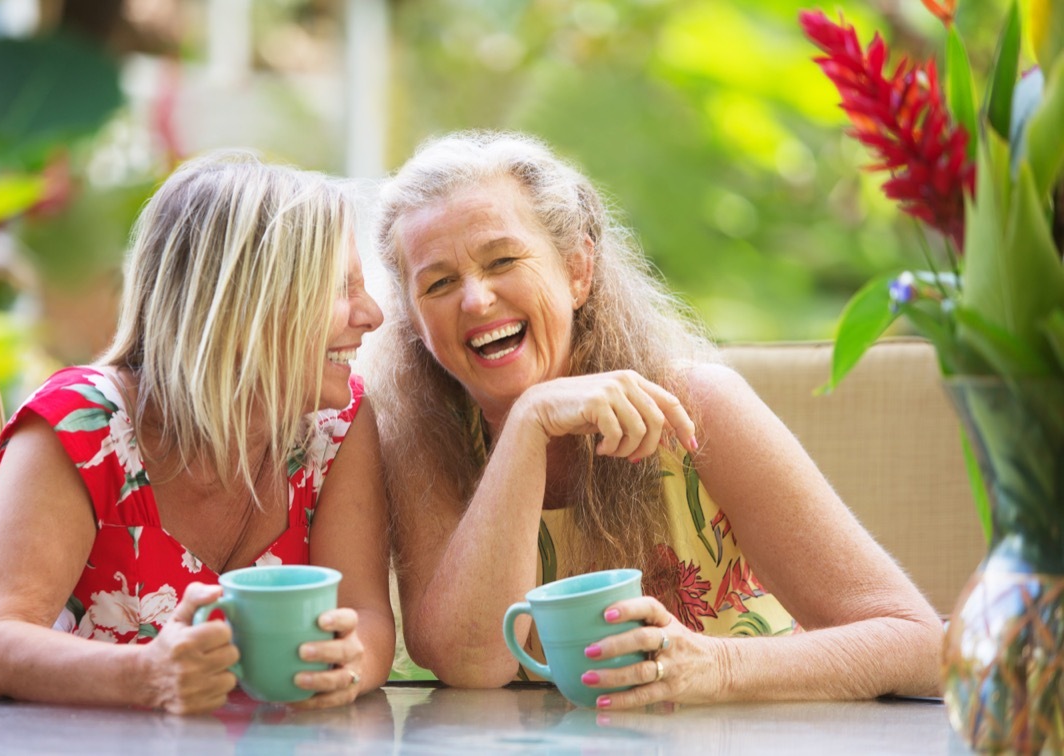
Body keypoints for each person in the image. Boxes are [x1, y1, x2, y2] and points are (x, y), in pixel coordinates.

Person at [370, 131, 942, 707]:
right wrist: (529, 423)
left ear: (577, 271)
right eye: (439, 283)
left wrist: (718, 666)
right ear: (415, 322)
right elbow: (472, 662)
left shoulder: (697, 405)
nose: (475, 300)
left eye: (503, 260)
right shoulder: (423, 444)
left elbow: (920, 645)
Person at [0, 150, 394, 714]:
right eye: (342, 288)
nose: (372, 315)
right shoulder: (82, 425)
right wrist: (145, 675)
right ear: (242, 306)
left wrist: (346, 663)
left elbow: (366, 618)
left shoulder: (335, 427)